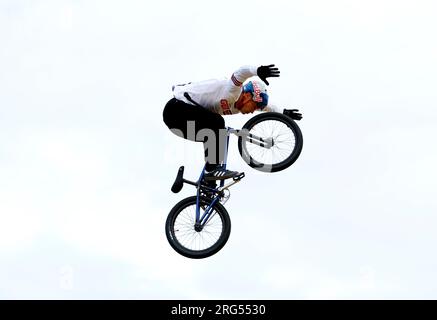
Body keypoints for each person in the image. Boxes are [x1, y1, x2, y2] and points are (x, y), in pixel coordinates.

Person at [163, 64, 301, 182]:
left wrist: (284, 114)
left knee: (215, 132)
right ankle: (212, 170)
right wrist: (257, 70)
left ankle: (208, 184)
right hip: (176, 109)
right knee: (217, 123)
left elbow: (267, 108)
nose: (253, 112)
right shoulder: (233, 91)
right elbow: (240, 72)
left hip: (181, 125)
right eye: (254, 107)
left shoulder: (242, 104)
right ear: (247, 96)